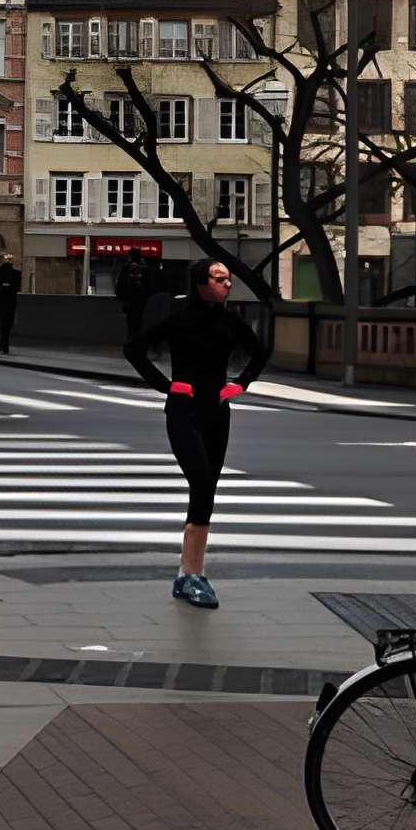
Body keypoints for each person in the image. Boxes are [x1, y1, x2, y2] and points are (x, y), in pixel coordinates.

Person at [123, 258, 270, 610]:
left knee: (207, 489)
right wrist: (168, 386)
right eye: (219, 279)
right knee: (201, 481)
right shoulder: (178, 317)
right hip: (183, 411)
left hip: (217, 411)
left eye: (228, 279)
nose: (227, 285)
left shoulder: (229, 319)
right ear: (201, 282)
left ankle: (189, 573)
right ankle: (192, 573)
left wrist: (240, 385)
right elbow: (134, 351)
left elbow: (260, 351)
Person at [115, 249, 152, 337]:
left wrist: (121, 297)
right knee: (141, 327)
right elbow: (150, 286)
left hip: (129, 304)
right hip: (143, 304)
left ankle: (131, 345)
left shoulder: (126, 269)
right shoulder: (146, 270)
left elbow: (120, 286)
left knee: (131, 328)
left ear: (130, 256)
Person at [0, 254, 21, 354]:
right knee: (7, 327)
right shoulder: (16, 274)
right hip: (10, 303)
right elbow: (17, 288)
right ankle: (4, 347)